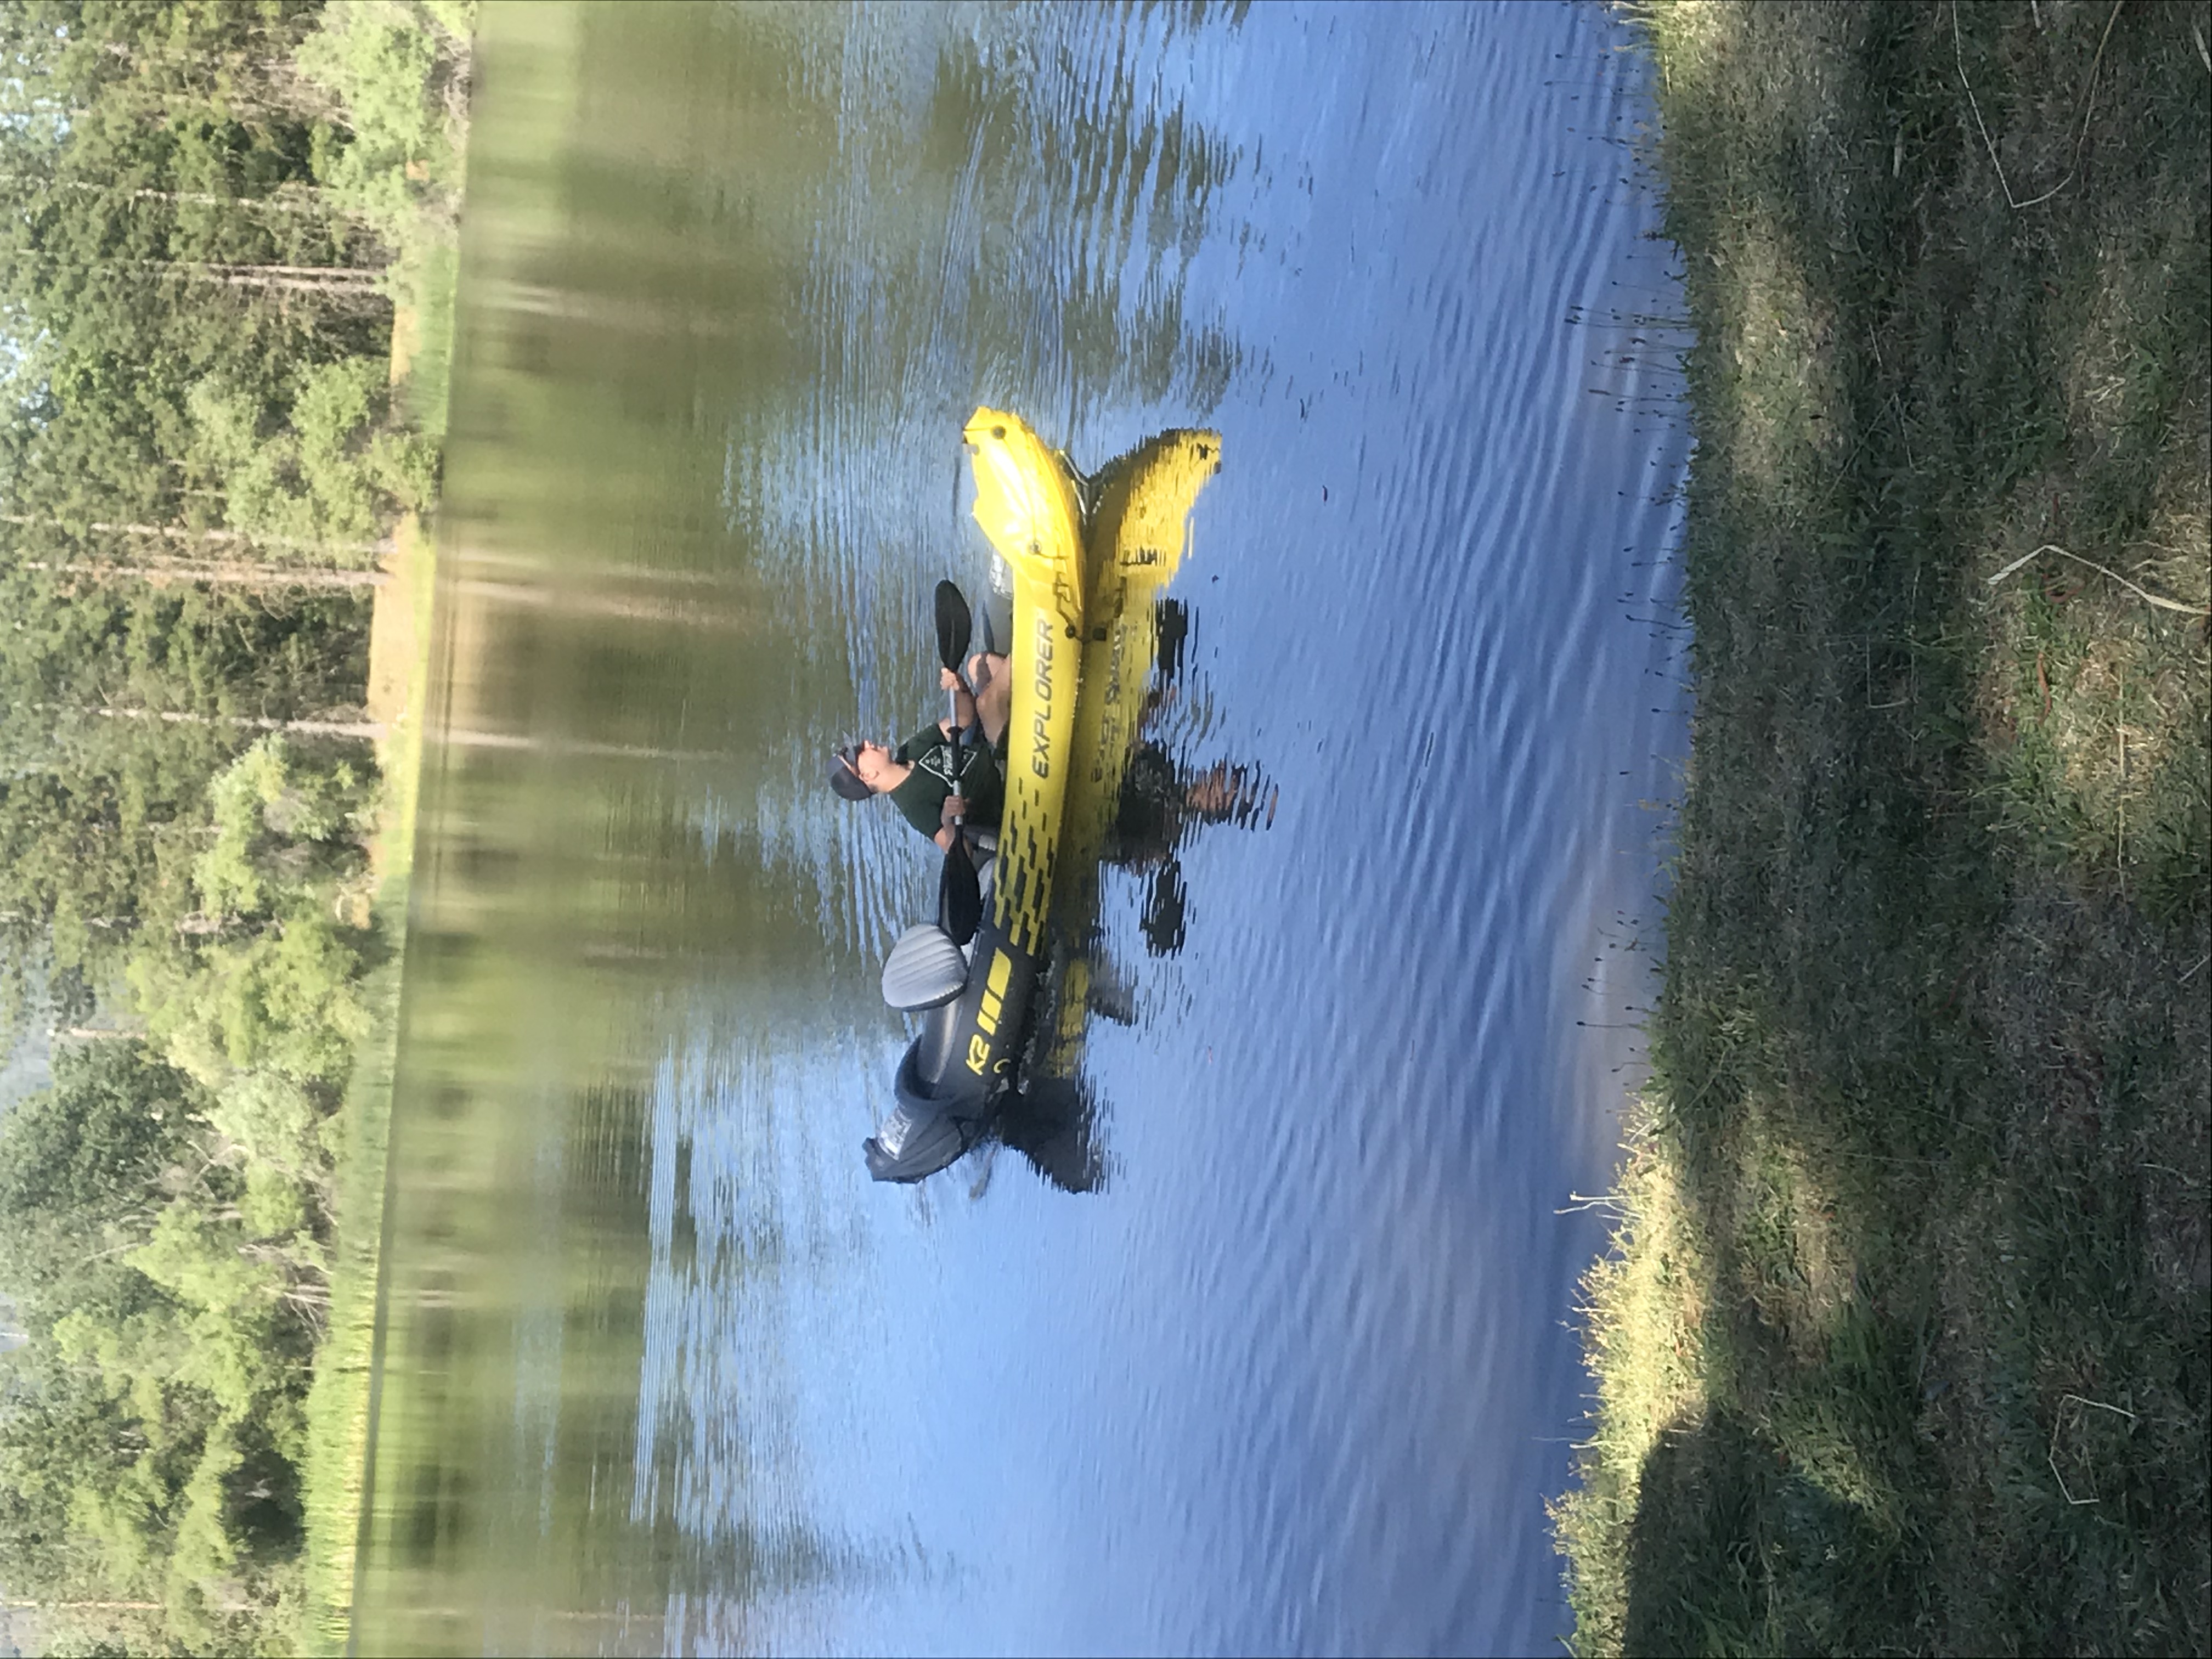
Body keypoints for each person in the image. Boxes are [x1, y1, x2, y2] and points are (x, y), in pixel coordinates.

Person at [828, 653, 1011, 852]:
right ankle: (1036, 644)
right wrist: (947, 819)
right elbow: (951, 845)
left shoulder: (910, 750)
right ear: (868, 775)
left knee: (978, 665)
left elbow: (963, 718)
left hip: (992, 748)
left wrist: (958, 686)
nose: (865, 743)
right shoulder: (914, 807)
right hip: (1003, 780)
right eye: (859, 751)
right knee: (986, 704)